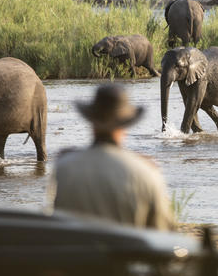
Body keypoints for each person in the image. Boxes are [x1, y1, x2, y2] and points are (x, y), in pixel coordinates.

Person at [50, 83, 174, 230]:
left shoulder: (63, 168)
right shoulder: (147, 173)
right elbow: (164, 231)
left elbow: (57, 221)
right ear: (126, 125)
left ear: (92, 122)